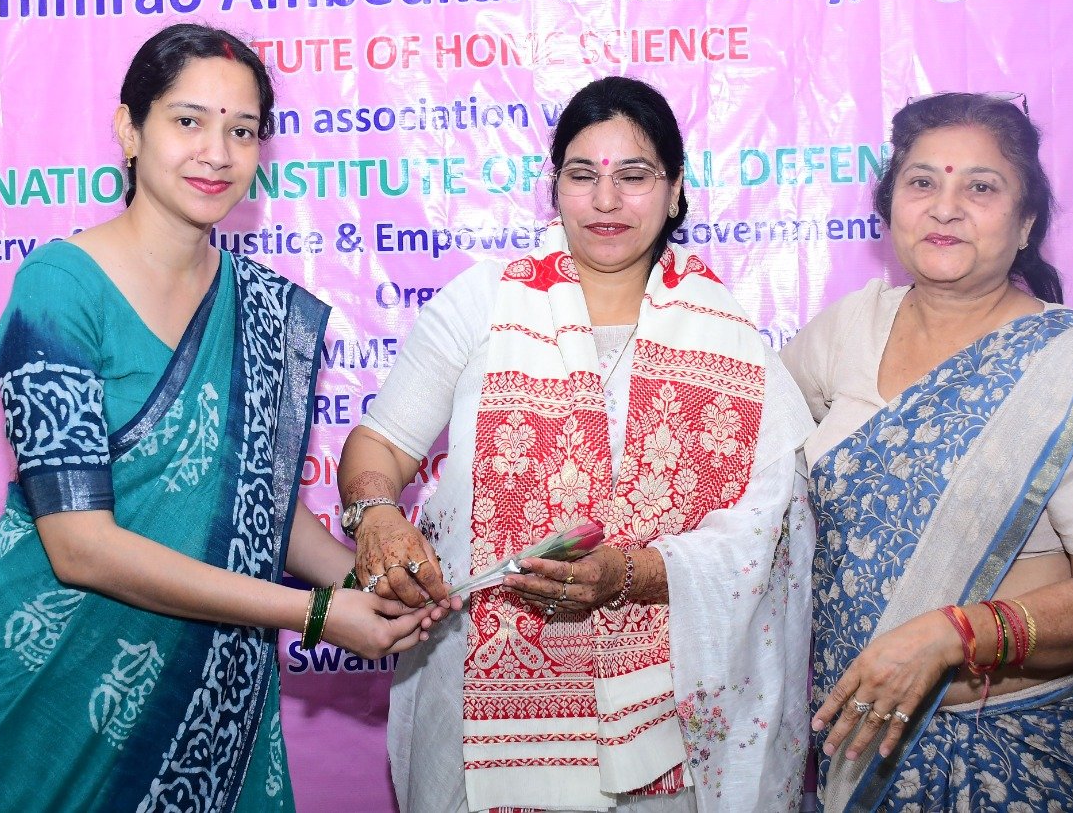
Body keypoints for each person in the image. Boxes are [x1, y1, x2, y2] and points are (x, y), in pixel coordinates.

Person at [0, 23, 435, 812]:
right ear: (129, 129)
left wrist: (370, 585)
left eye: (242, 131)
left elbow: (255, 507)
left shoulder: (257, 306)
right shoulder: (59, 288)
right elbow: (80, 547)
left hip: (216, 677)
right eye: (188, 121)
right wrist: (318, 614)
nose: (216, 153)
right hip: (65, 675)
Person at [337, 75, 816, 813]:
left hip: (664, 729)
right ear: (554, 185)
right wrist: (376, 513)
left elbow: (768, 528)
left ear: (675, 191)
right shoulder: (485, 302)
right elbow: (381, 445)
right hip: (475, 703)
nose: (605, 200)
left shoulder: (730, 341)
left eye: (634, 176)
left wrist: (633, 574)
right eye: (582, 175)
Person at [782, 92, 1073, 811]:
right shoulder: (845, 332)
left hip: (1019, 755)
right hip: (861, 753)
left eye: (981, 188)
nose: (945, 207)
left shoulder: (1064, 366)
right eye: (922, 182)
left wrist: (953, 634)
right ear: (890, 207)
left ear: (1025, 226)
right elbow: (752, 461)